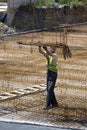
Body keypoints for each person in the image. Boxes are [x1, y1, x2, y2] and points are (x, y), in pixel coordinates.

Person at [39, 45, 58, 110]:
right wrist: (39, 46)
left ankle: (48, 105)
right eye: (51, 47)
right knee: (49, 89)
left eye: (54, 47)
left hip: (53, 74)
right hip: (49, 73)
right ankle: (55, 104)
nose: (52, 48)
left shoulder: (55, 55)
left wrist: (46, 49)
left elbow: (50, 54)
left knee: (49, 90)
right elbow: (41, 52)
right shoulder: (48, 54)